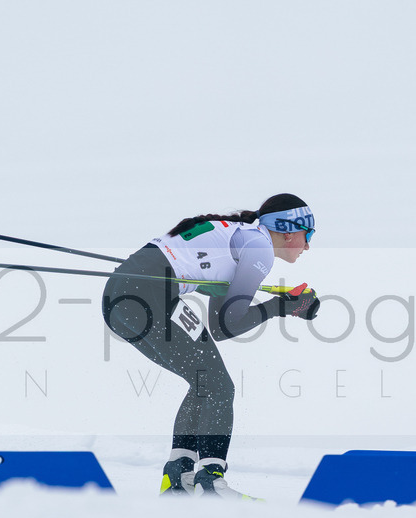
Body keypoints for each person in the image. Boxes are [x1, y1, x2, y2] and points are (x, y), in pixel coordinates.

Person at [101, 193, 320, 499]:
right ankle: (211, 482)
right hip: (151, 294)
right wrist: (283, 307)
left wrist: (281, 305)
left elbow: (219, 327)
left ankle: (179, 478)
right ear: (288, 230)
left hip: (120, 299)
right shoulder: (259, 247)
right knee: (219, 387)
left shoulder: (242, 237)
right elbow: (230, 322)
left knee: (204, 382)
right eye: (308, 234)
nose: (308, 245)